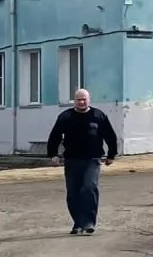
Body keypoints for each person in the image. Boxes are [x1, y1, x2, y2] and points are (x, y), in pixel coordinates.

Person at [46, 88, 119, 235]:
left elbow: (110, 136)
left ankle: (89, 222)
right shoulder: (65, 117)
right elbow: (54, 136)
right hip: (72, 160)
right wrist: (53, 154)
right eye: (79, 99)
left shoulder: (98, 116)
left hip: (92, 159)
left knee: (89, 187)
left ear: (89, 100)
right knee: (73, 193)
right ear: (74, 101)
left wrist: (111, 155)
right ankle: (78, 223)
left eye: (84, 99)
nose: (81, 102)